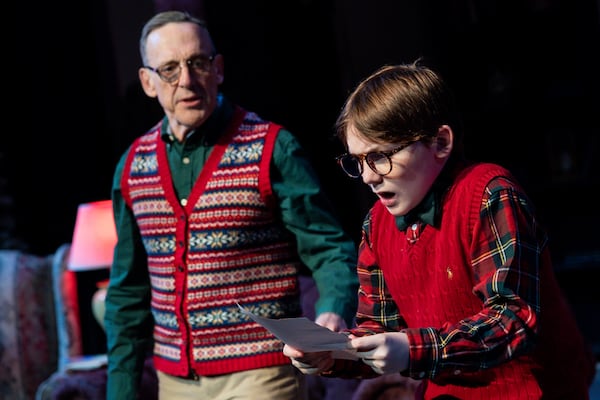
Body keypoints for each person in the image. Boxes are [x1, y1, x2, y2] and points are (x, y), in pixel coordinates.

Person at [283, 61, 596, 399]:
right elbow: (381, 332)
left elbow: (513, 320)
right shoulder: (377, 224)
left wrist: (413, 350)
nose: (370, 177)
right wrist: (330, 354)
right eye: (358, 162)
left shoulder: (488, 194)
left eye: (380, 157)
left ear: (440, 143)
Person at [104, 10, 359, 400]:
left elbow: (328, 248)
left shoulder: (271, 148)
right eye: (170, 69)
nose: (187, 80)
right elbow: (128, 293)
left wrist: (332, 312)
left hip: (262, 375)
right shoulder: (132, 167)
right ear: (147, 82)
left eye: (198, 63)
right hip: (176, 382)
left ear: (218, 68)